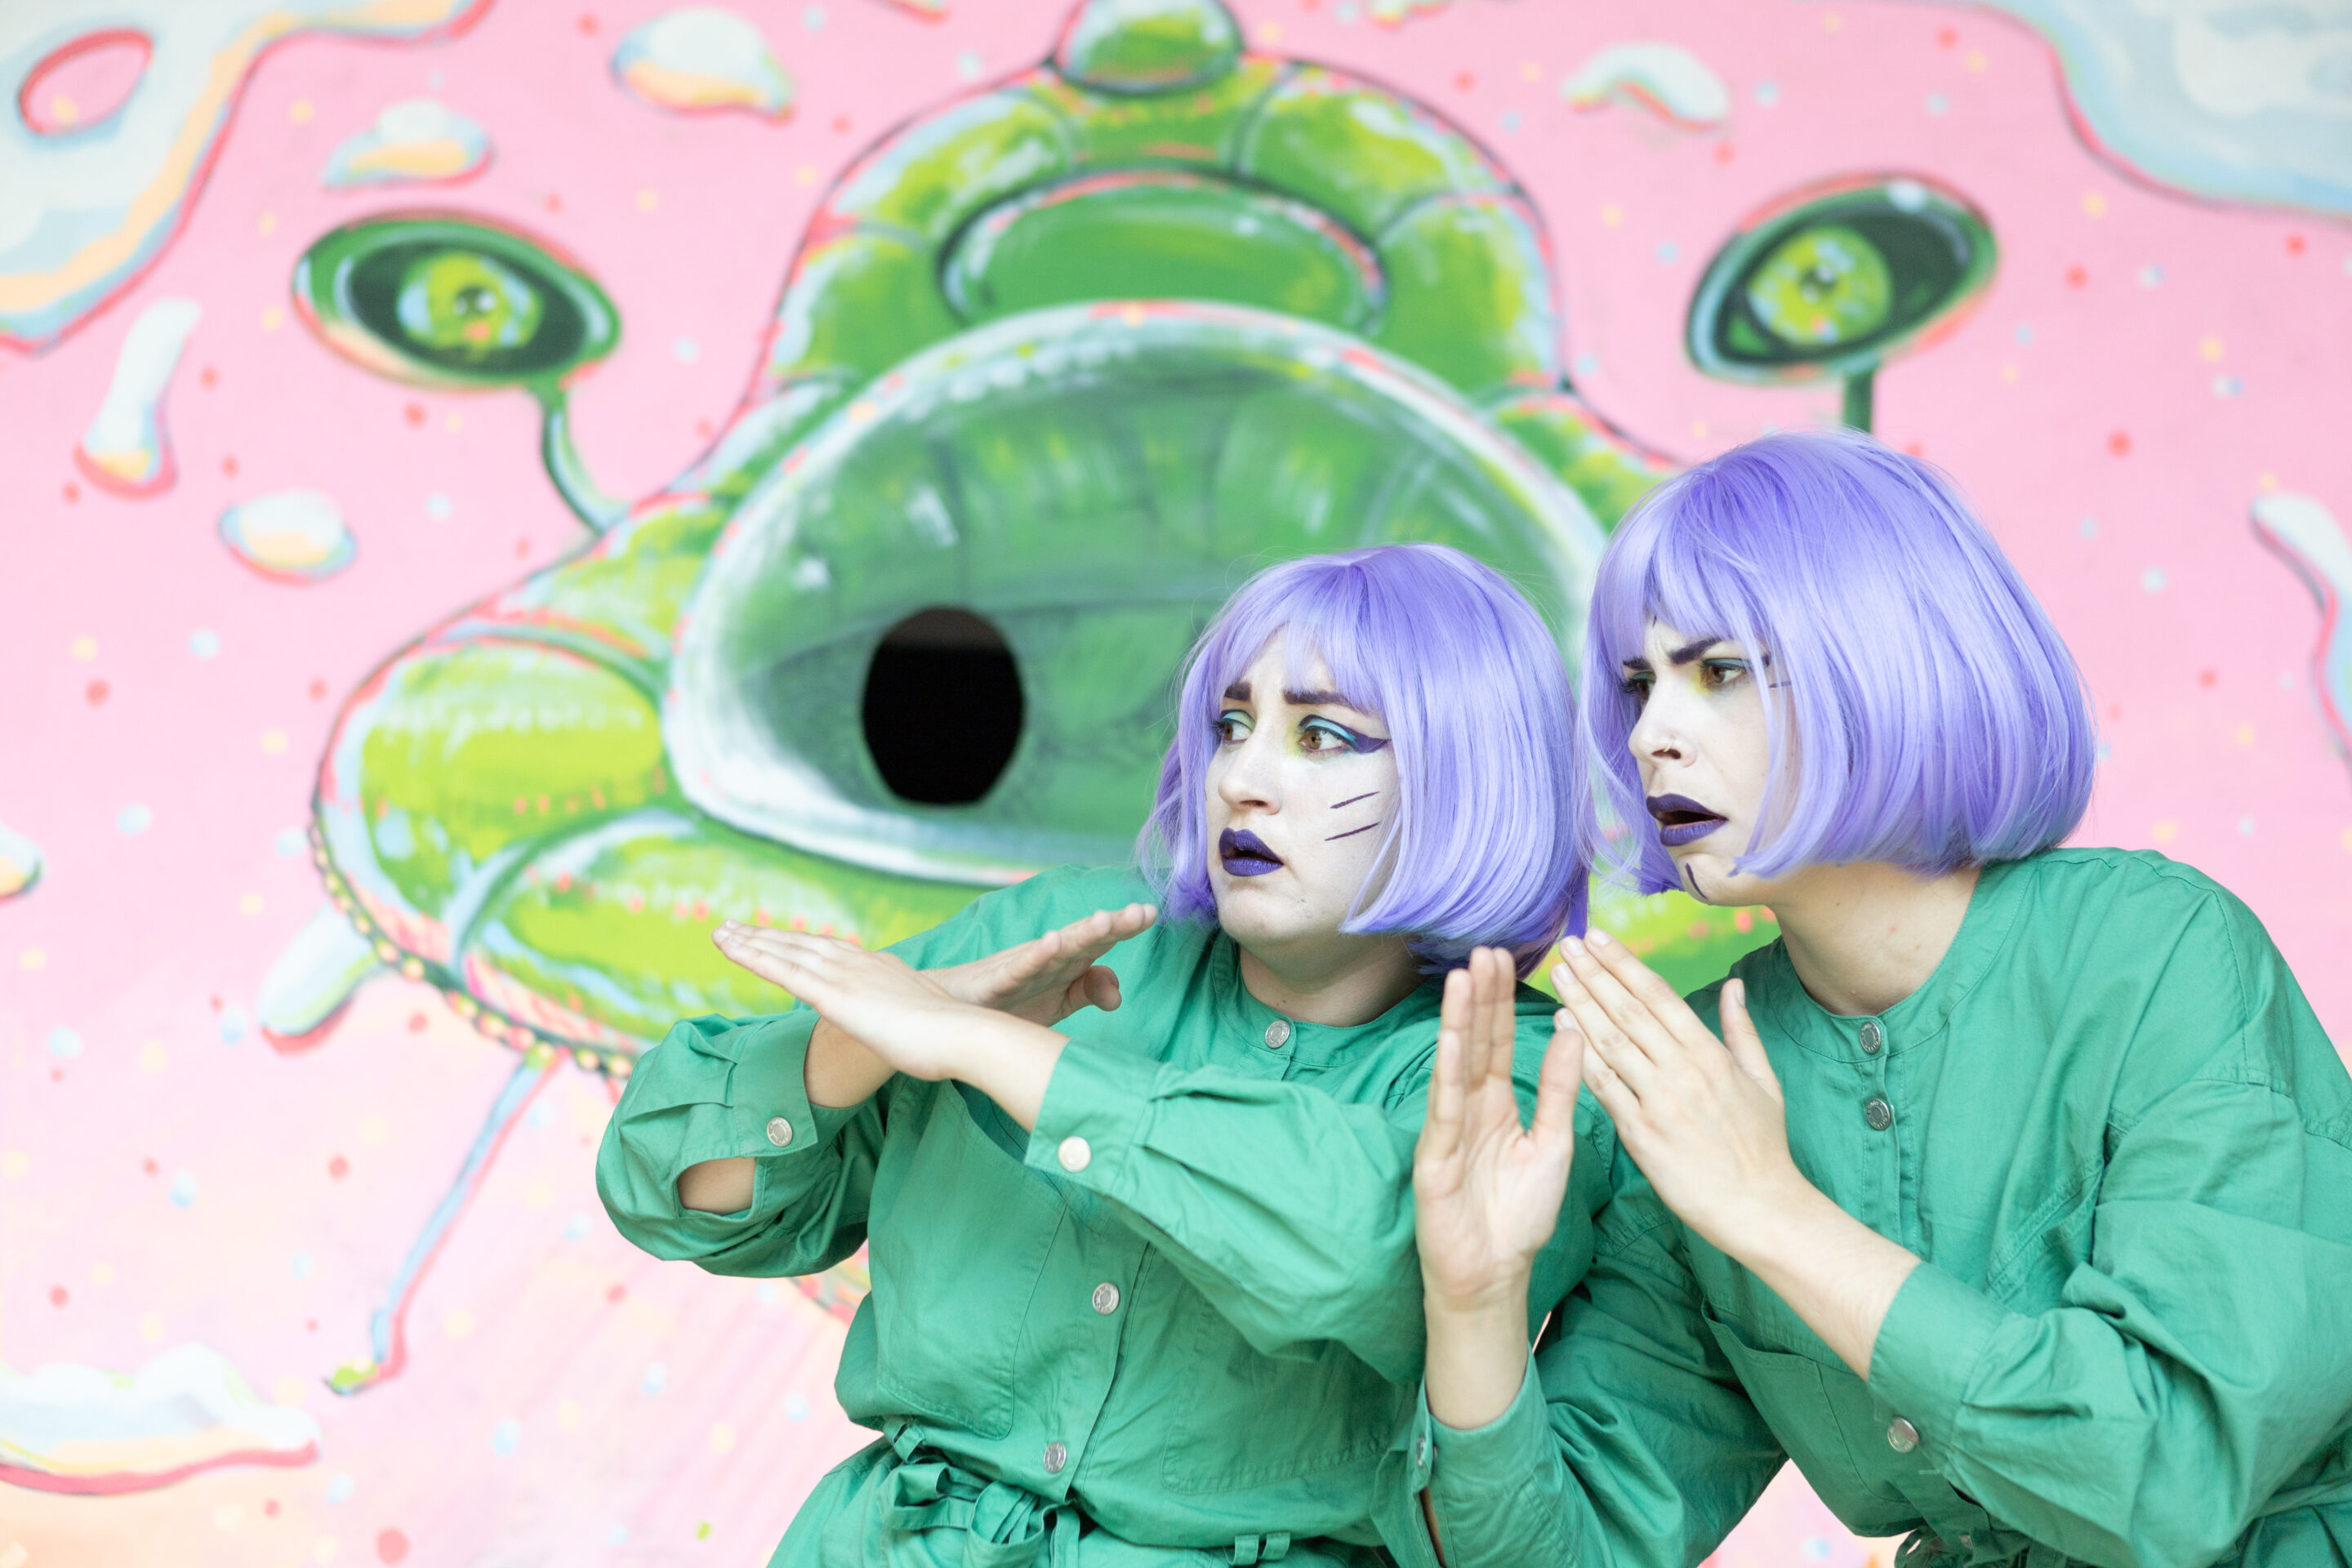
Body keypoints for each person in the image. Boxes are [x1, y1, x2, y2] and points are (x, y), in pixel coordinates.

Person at [1385, 430, 2352, 1568]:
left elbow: (2172, 1472)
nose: (1650, 735)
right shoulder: (1694, 1075)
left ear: (1881, 662)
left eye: (1721, 672)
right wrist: (1475, 1303)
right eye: (1639, 685)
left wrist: (1774, 1211)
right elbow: (1568, 1549)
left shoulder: (2158, 954)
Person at [597, 542, 1613, 1567]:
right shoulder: (1067, 932)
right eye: (1231, 726)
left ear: (1465, 778)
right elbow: (670, 1191)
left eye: (1322, 736)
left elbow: (1375, 1260)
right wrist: (852, 1050)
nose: (1241, 779)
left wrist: (988, 1050)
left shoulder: (1524, 1076)